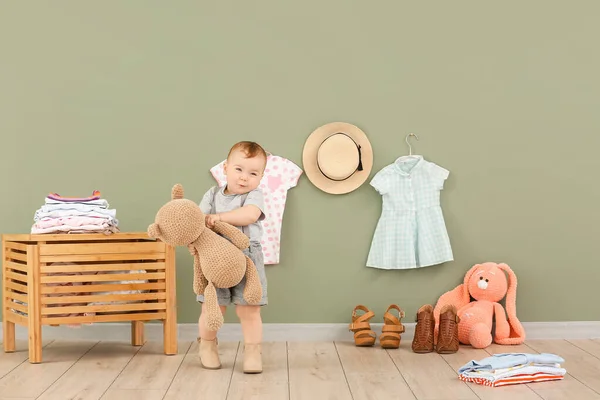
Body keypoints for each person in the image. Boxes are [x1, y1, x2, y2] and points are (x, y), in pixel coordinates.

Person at [194, 140, 268, 374]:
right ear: (225, 168)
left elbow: (249, 215)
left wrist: (221, 218)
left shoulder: (255, 195)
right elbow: (198, 219)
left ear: (261, 177)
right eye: (239, 170)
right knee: (212, 307)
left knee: (250, 308)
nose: (244, 178)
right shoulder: (212, 194)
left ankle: (253, 351)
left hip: (247, 256)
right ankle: (207, 346)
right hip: (214, 257)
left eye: (253, 173)